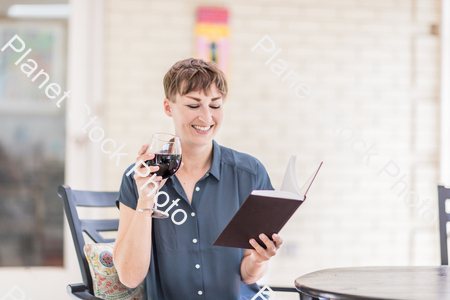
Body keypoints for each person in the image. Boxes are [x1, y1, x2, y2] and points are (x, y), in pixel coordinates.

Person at [113, 58, 283, 300]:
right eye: (194, 106)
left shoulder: (250, 174)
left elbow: (248, 275)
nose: (206, 117)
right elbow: (129, 277)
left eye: (215, 105)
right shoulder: (139, 178)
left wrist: (258, 259)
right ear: (168, 107)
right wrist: (145, 200)